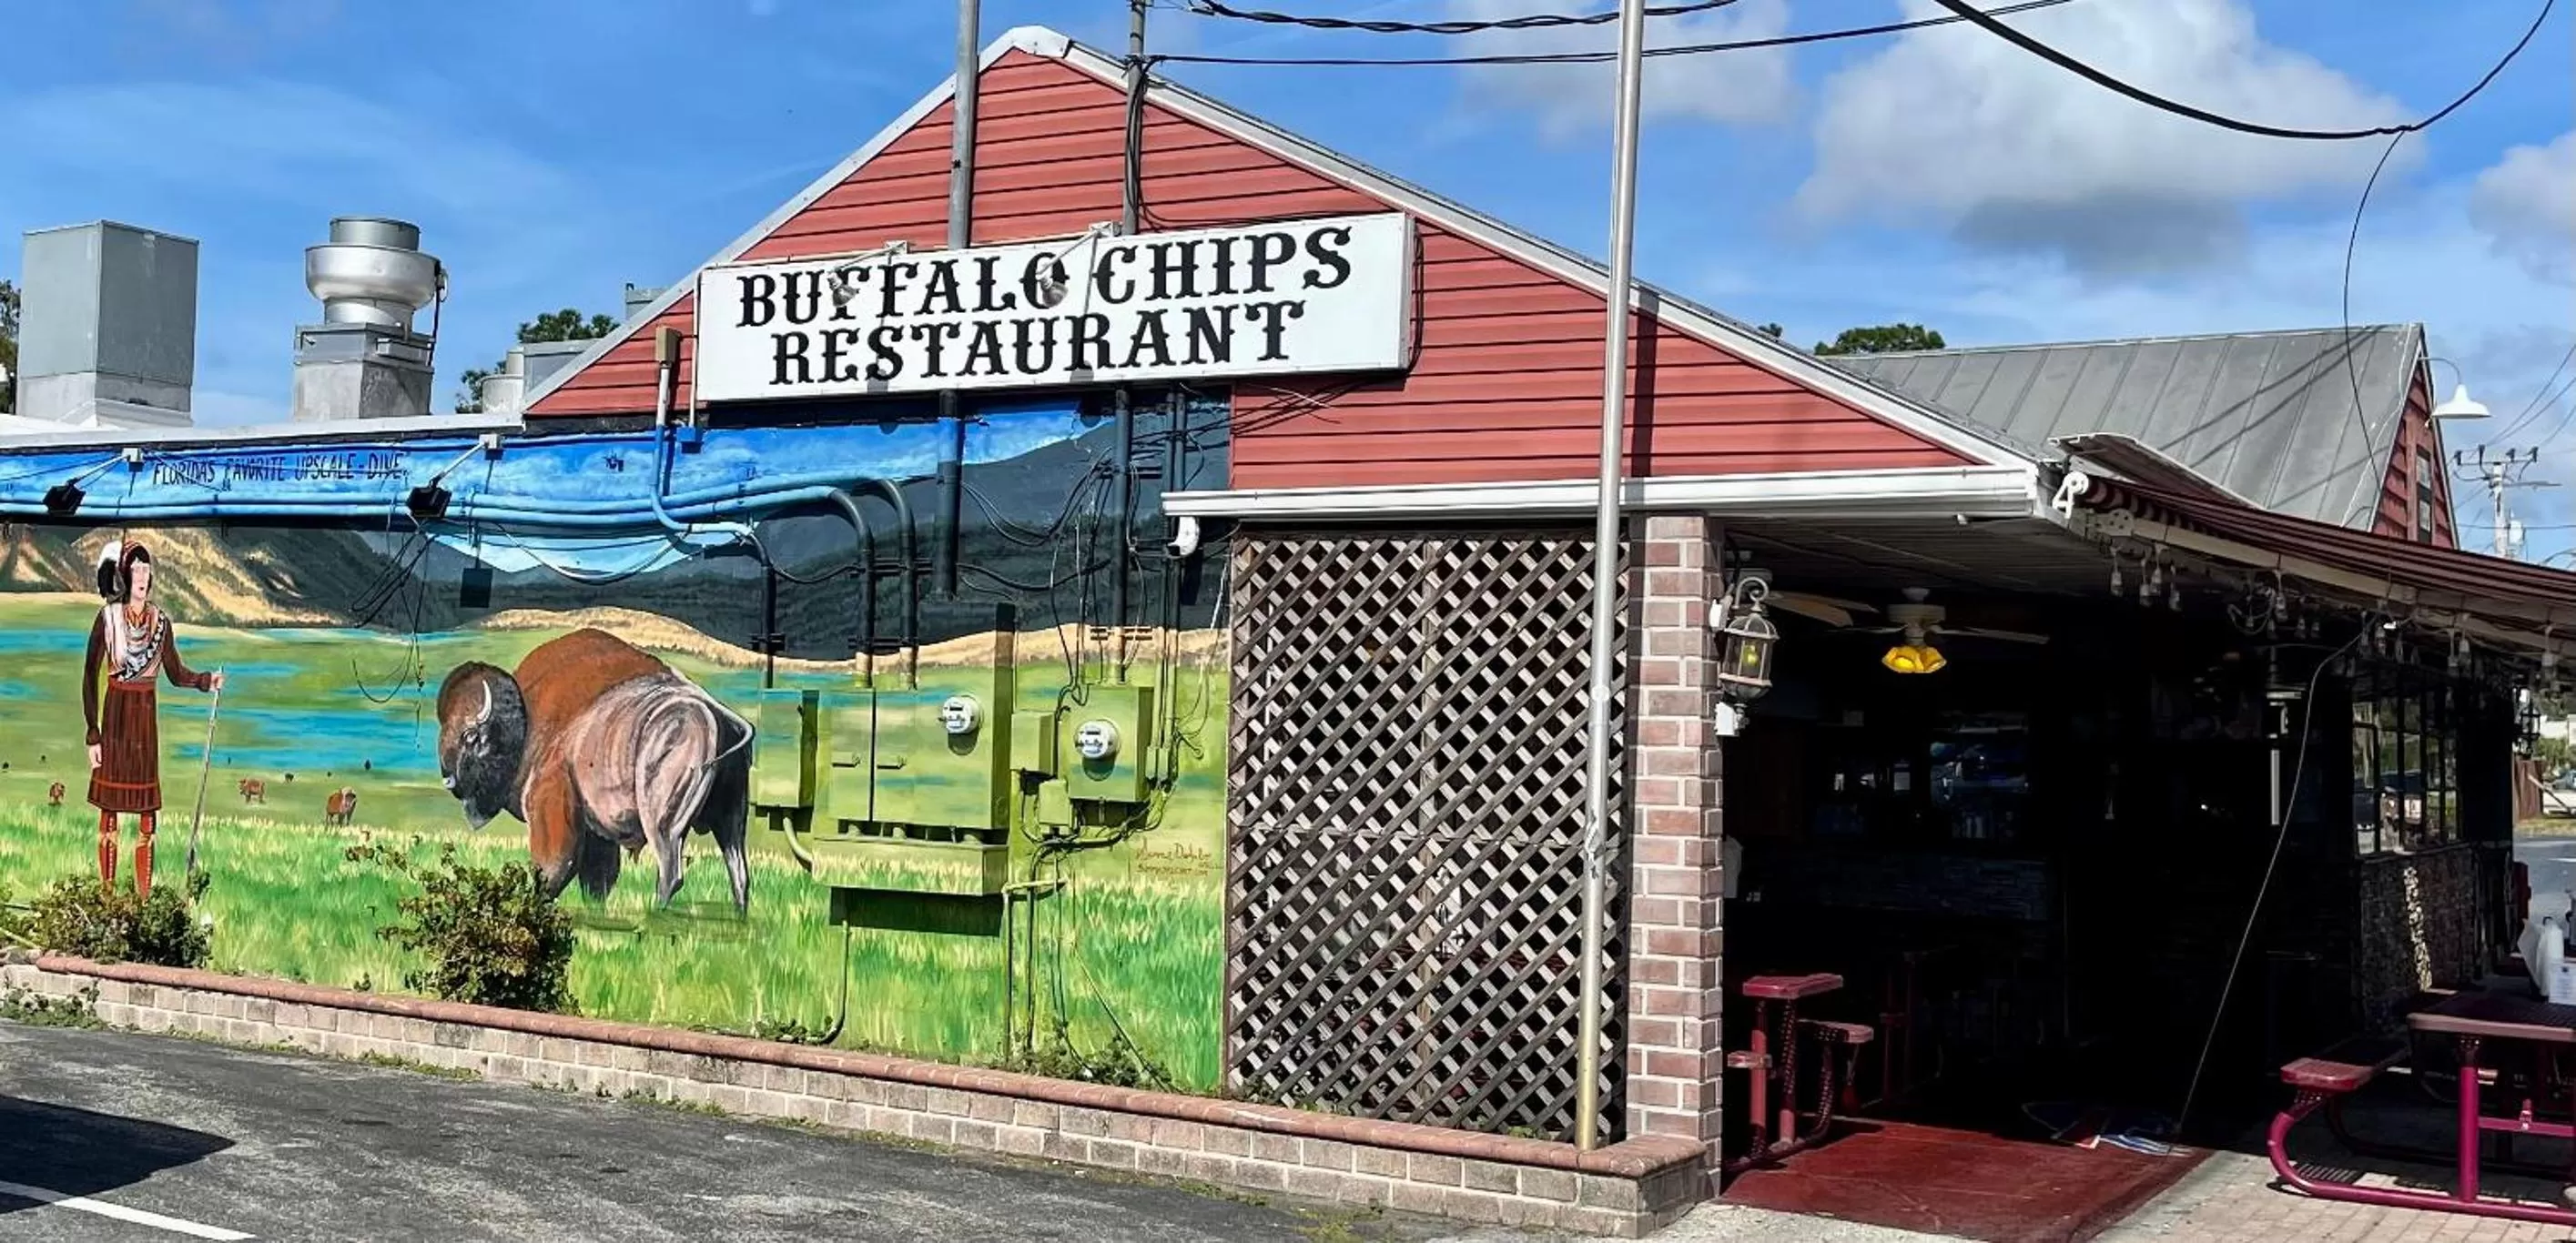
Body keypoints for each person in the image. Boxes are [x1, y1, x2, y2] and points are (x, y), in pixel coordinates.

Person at [82, 541, 222, 898]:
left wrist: (205, 681)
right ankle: (108, 896)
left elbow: (175, 672)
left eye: (147, 570)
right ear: (125, 575)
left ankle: (143, 901)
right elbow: (89, 676)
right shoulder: (108, 618)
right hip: (115, 718)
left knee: (147, 818)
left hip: (144, 722)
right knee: (109, 813)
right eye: (136, 569)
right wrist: (93, 734)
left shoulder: (161, 623)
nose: (142, 577)